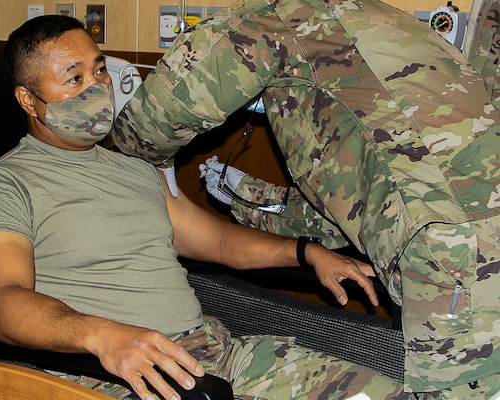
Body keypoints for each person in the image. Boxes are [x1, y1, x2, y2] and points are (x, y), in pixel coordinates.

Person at [0, 14, 407, 400]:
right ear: (27, 100)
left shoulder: (134, 169)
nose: (96, 87)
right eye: (73, 78)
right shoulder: (5, 185)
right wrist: (103, 336)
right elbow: (1, 304)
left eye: (98, 72)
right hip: (112, 374)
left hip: (214, 354)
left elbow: (221, 241)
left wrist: (306, 252)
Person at [109, 0, 500, 398]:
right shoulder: (383, 20)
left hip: (455, 254)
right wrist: (244, 195)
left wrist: (115, 162)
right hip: (467, 238)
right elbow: (352, 204)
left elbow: (161, 113)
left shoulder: (276, 14)